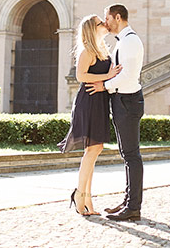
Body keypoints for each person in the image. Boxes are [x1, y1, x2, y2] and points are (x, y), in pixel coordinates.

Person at [58, 14, 122, 216]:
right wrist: (107, 76)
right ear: (91, 29)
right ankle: (80, 195)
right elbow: (80, 76)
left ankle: (86, 198)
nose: (104, 23)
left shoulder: (102, 48)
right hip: (89, 102)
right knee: (92, 151)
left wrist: (108, 79)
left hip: (99, 101)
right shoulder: (87, 50)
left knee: (94, 151)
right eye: (99, 22)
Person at [86, 3, 145, 221]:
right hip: (124, 100)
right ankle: (129, 201)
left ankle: (133, 207)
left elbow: (128, 76)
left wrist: (104, 86)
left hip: (127, 100)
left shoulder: (130, 42)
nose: (106, 22)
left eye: (107, 18)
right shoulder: (125, 41)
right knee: (127, 154)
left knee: (131, 155)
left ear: (117, 17)